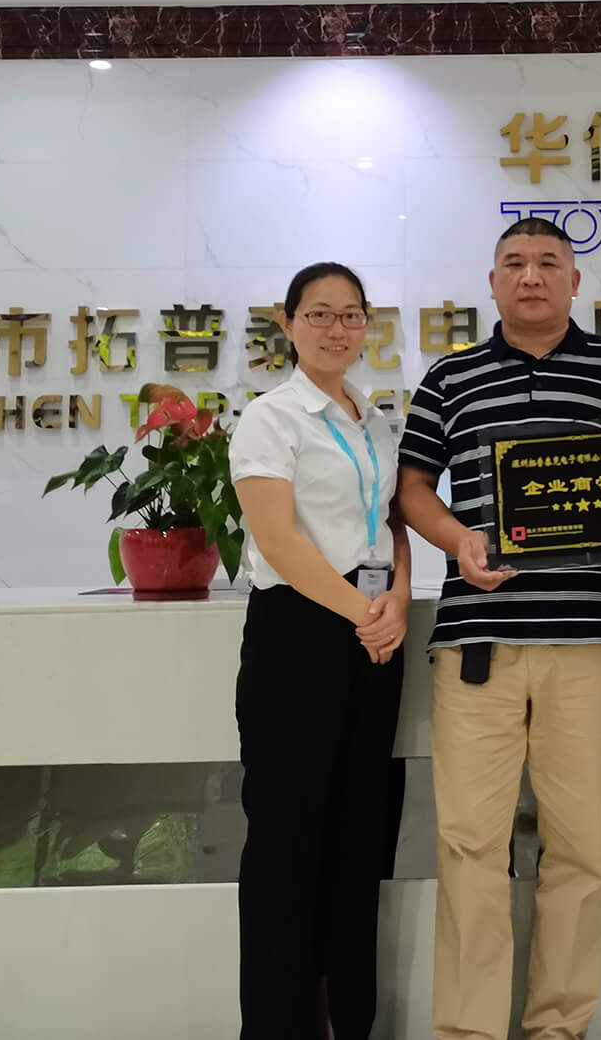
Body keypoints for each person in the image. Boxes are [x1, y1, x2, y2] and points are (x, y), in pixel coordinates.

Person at [397, 217, 601, 1040]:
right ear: (492, 281)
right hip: (477, 641)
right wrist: (458, 540)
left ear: (574, 281)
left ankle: (559, 1027)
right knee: (470, 847)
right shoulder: (450, 376)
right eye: (515, 263)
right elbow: (413, 488)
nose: (531, 276)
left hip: (586, 638)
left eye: (548, 263)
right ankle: (469, 1031)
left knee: (580, 848)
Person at [229, 261, 411, 1040]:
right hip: (299, 637)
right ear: (289, 323)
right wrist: (362, 611)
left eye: (351, 315)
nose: (338, 329)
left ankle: (350, 1024)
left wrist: (398, 598)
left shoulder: (375, 420)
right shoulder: (271, 418)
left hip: (372, 639)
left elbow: (391, 524)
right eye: (319, 314)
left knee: (358, 840)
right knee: (286, 848)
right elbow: (277, 539)